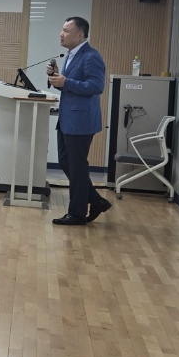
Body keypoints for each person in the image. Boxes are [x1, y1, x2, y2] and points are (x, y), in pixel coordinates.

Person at [48, 16, 111, 226]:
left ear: (80, 35)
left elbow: (96, 86)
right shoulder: (71, 55)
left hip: (80, 121)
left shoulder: (91, 56)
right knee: (67, 163)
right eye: (62, 29)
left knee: (76, 166)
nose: (61, 34)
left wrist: (66, 81)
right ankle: (96, 201)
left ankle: (77, 213)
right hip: (68, 118)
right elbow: (71, 85)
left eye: (66, 30)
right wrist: (57, 79)